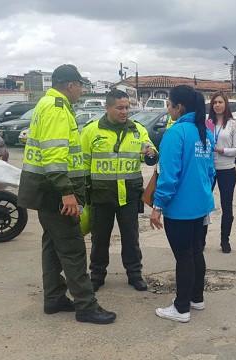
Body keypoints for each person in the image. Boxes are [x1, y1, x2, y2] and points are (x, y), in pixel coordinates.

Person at [18, 64, 116, 325]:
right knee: (73, 249)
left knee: (52, 246)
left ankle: (53, 298)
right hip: (55, 191)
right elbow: (54, 155)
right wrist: (67, 193)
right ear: (70, 85)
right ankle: (86, 305)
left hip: (43, 188)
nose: (81, 91)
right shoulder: (57, 109)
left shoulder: (45, 104)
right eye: (80, 85)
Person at [81, 89, 158, 292]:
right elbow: (81, 164)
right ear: (107, 108)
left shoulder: (138, 130)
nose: (125, 112)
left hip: (129, 196)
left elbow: (150, 155)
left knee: (131, 238)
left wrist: (150, 153)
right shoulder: (91, 131)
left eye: (127, 107)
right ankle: (97, 275)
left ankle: (134, 274)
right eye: (120, 108)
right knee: (99, 239)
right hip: (100, 195)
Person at [150, 85, 215, 323]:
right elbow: (210, 172)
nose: (168, 109)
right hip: (200, 205)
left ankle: (181, 308)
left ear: (180, 107)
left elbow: (169, 176)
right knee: (196, 251)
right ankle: (196, 298)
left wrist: (158, 206)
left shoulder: (175, 134)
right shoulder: (205, 132)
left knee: (184, 256)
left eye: (169, 105)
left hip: (180, 208)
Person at [208, 92, 236, 253]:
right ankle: (200, 239)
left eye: (220, 102)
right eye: (214, 102)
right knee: (204, 205)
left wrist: (222, 150)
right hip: (209, 170)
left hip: (227, 169)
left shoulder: (233, 124)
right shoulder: (208, 123)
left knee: (226, 207)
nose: (217, 105)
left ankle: (225, 240)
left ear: (226, 104)